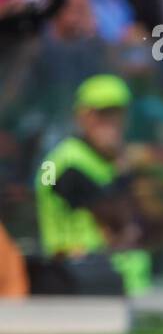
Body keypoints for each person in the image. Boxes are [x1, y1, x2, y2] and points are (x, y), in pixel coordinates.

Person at [34, 74, 151, 295]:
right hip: (75, 276)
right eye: (104, 114)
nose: (113, 123)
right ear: (83, 116)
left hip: (113, 276)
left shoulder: (105, 160)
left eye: (118, 113)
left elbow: (139, 224)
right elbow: (118, 220)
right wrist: (124, 169)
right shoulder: (66, 162)